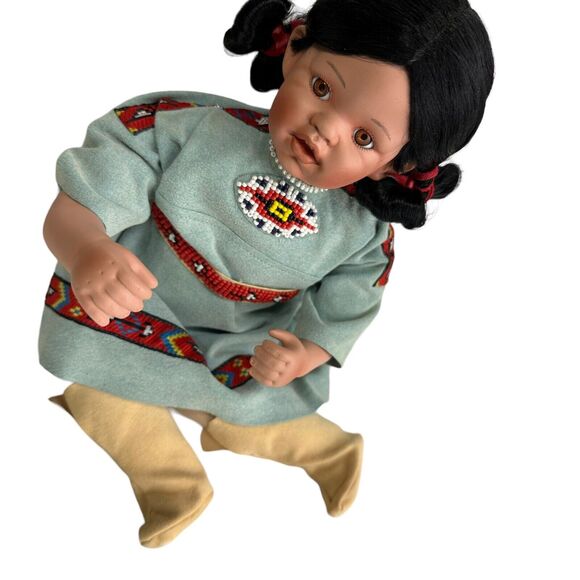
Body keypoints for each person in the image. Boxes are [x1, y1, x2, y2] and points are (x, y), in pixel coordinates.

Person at [39, 0, 494, 548]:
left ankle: (328, 450)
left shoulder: (360, 233)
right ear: (295, 47)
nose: (327, 128)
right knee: (98, 390)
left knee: (252, 409)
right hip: (132, 306)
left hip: (244, 341)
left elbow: (351, 300)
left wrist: (306, 353)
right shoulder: (186, 127)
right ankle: (172, 483)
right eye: (322, 88)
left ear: (398, 166)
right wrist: (87, 247)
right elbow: (91, 186)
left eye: (365, 139)